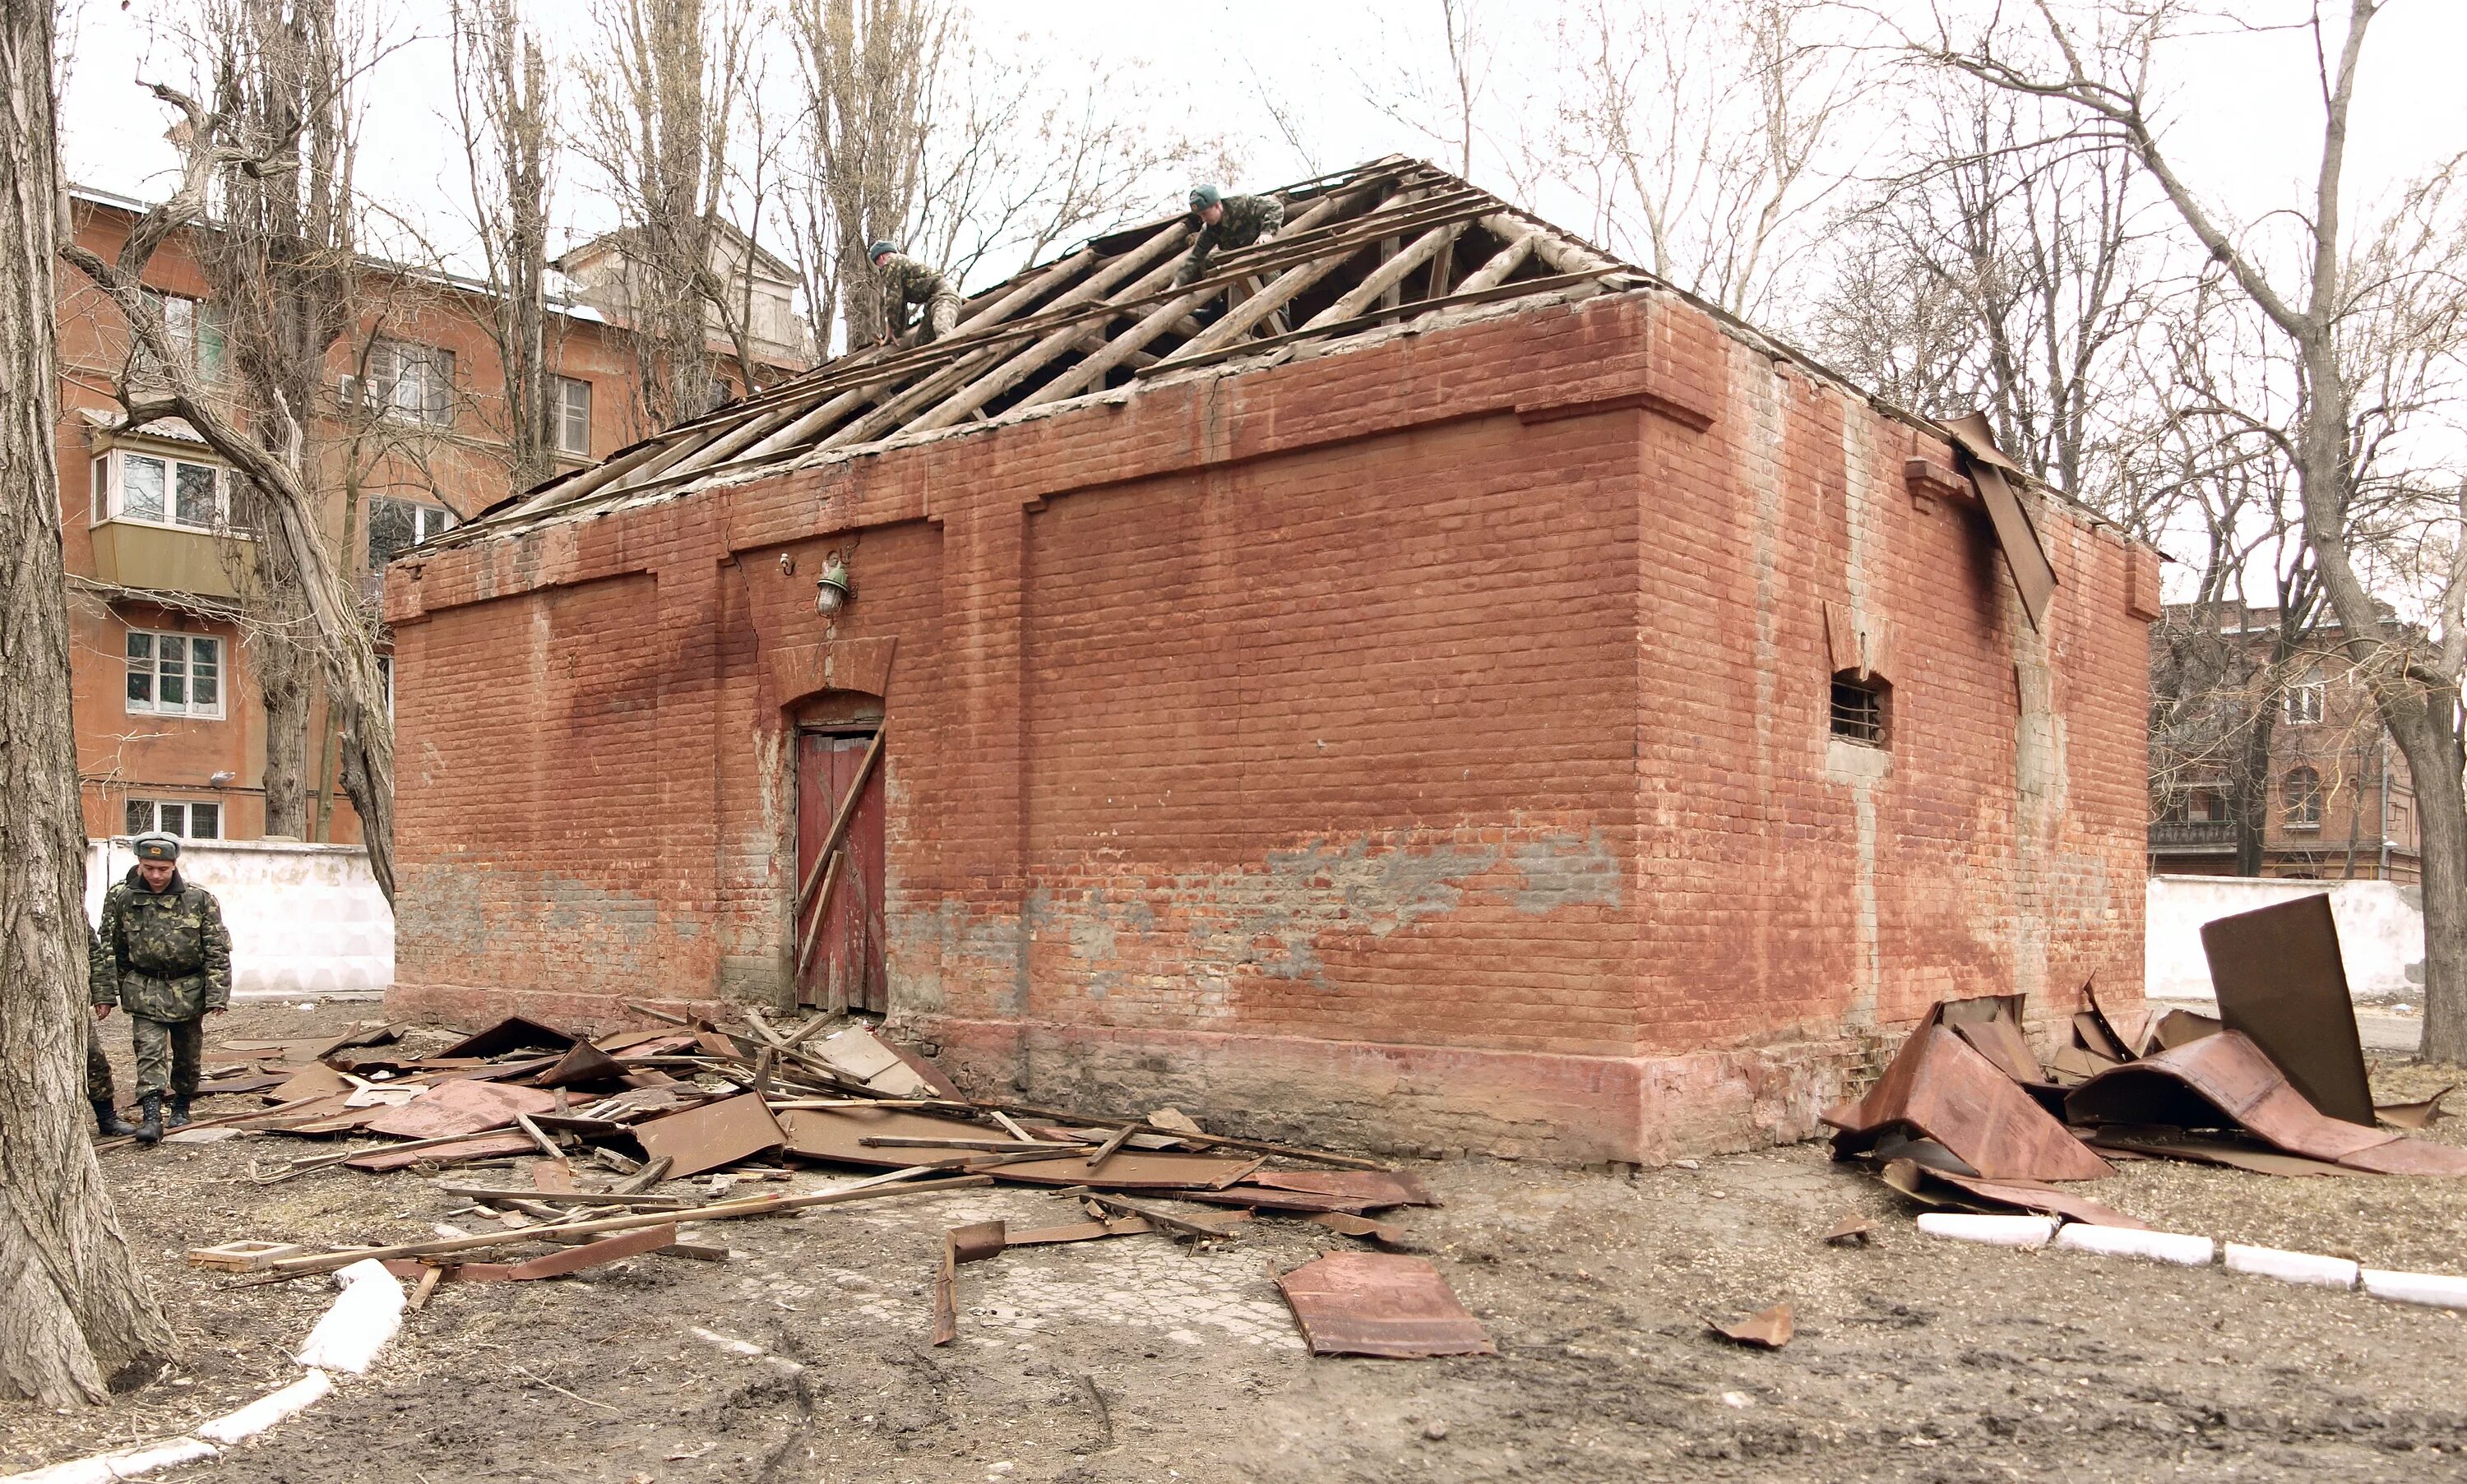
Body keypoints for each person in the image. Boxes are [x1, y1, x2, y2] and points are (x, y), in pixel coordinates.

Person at [95, 832, 229, 1144]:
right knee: (149, 1050)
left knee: (187, 1053)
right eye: (149, 868)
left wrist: (217, 994)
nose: (155, 875)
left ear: (174, 866)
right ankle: (152, 1116)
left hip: (188, 987)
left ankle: (181, 1105)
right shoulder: (121, 898)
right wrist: (110, 991)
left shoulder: (200, 899)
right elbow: (110, 948)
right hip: (144, 986)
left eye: (163, 869)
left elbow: (216, 950)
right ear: (139, 864)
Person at [1173, 184, 1286, 288]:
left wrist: (1267, 232)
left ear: (1217, 205)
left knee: (1270, 268)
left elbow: (1275, 207)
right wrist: (1176, 283)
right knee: (1208, 260)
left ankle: (1279, 310)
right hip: (1238, 253)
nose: (1203, 219)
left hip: (1264, 246)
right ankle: (1217, 304)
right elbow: (1195, 258)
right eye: (1200, 215)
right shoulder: (1209, 229)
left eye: (1205, 214)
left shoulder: (1242, 203)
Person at [86, 924, 135, 1137]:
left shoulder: (72, 912)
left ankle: (107, 1118)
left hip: (63, 1005)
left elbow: (93, 953)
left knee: (94, 1058)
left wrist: (103, 995)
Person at [871, 240, 961, 345]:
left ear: (881, 258)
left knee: (943, 333)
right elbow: (899, 305)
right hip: (932, 303)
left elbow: (893, 300)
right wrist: (896, 333)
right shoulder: (900, 270)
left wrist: (889, 331)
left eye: (878, 265)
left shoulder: (891, 262)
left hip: (944, 296)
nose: (881, 269)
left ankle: (952, 358)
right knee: (919, 343)